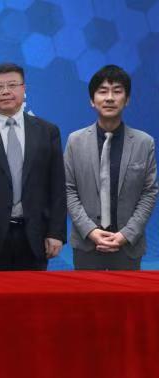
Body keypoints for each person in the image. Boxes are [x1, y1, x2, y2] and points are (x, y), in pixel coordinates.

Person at [0, 62, 66, 271]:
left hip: (36, 237)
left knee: (34, 291)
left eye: (12, 85)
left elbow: (57, 186)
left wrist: (56, 232)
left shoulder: (47, 131)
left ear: (24, 89)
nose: (6, 91)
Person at [65, 65, 157, 270]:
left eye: (117, 91)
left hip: (128, 246)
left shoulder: (144, 143)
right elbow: (68, 190)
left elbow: (149, 192)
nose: (109, 98)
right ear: (92, 100)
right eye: (102, 91)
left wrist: (126, 234)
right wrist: (90, 231)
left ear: (127, 99)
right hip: (87, 245)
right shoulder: (75, 141)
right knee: (86, 293)